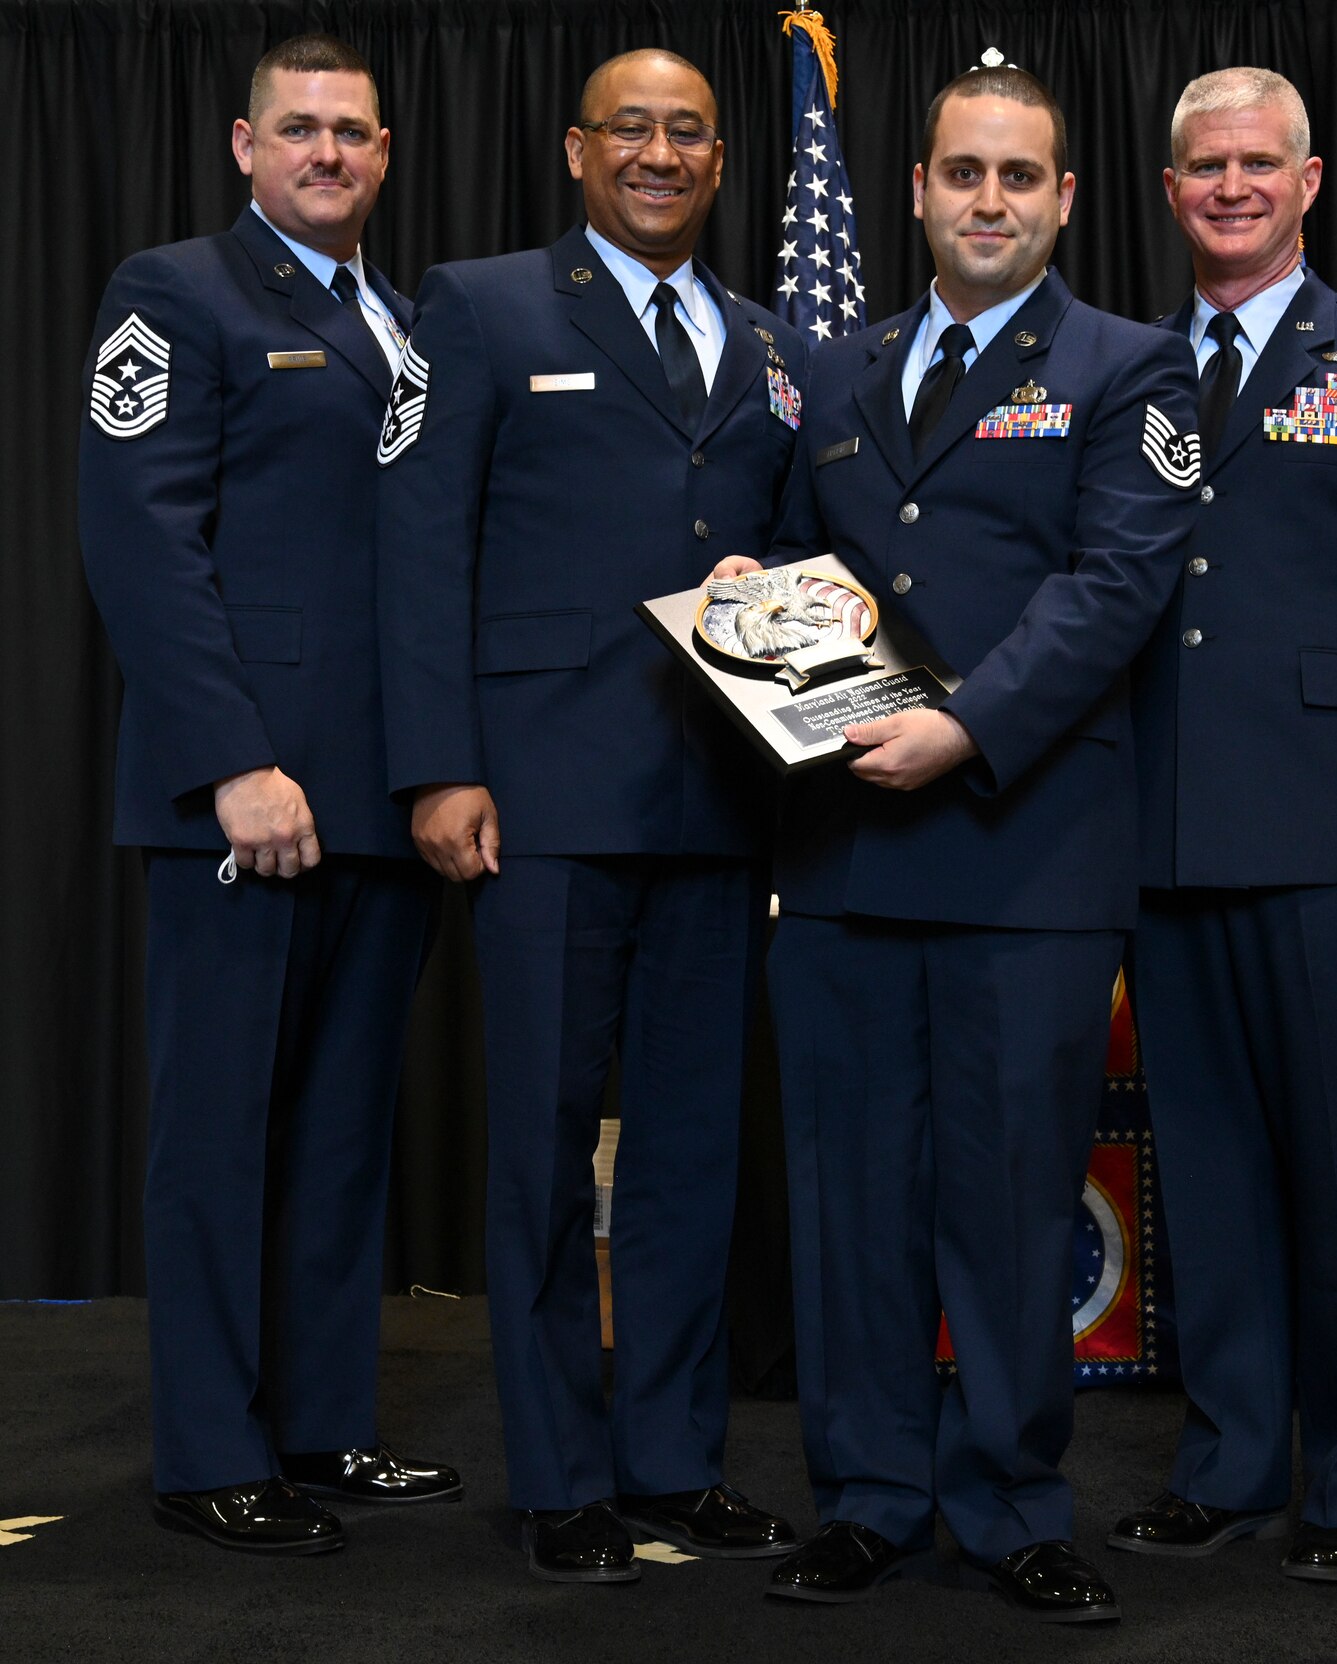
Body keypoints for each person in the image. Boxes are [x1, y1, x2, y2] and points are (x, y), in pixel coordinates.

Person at [720, 64, 1200, 1624]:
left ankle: (1007, 1504)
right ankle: (866, 1498)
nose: (989, 199)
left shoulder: (1134, 368)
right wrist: (753, 589)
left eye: (1021, 177)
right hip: (847, 856)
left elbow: (1117, 584)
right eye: (963, 173)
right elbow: (817, 576)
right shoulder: (833, 368)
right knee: (851, 1196)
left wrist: (972, 727)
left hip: (1026, 856)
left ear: (1064, 200)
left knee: (1005, 1202)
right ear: (917, 190)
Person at [374, 48, 802, 1584]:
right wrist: (437, 765)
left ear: (721, 158)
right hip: (540, 798)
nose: (663, 153)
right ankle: (561, 1477)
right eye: (634, 128)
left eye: (690, 132)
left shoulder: (768, 336)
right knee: (547, 1152)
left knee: (693, 1155)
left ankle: (674, 1465)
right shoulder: (480, 305)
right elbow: (419, 547)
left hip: (717, 802)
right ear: (576, 148)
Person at [76, 33, 458, 1555]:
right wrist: (234, 759)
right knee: (223, 1132)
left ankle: (323, 1426)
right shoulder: (175, 296)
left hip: (379, 797)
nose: (327, 155)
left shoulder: (415, 324)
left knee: (342, 1133)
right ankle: (210, 1451)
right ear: (245, 145)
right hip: (244, 796)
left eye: (352, 134)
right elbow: (142, 545)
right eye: (297, 131)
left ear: (384, 152)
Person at [1108, 68, 1337, 1583]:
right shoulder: (1125, 366)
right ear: (1172, 182)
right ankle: (1230, 1462)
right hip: (1165, 834)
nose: (1234, 189)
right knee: (1205, 1173)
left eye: (1261, 164)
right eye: (1208, 167)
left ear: (1313, 180)